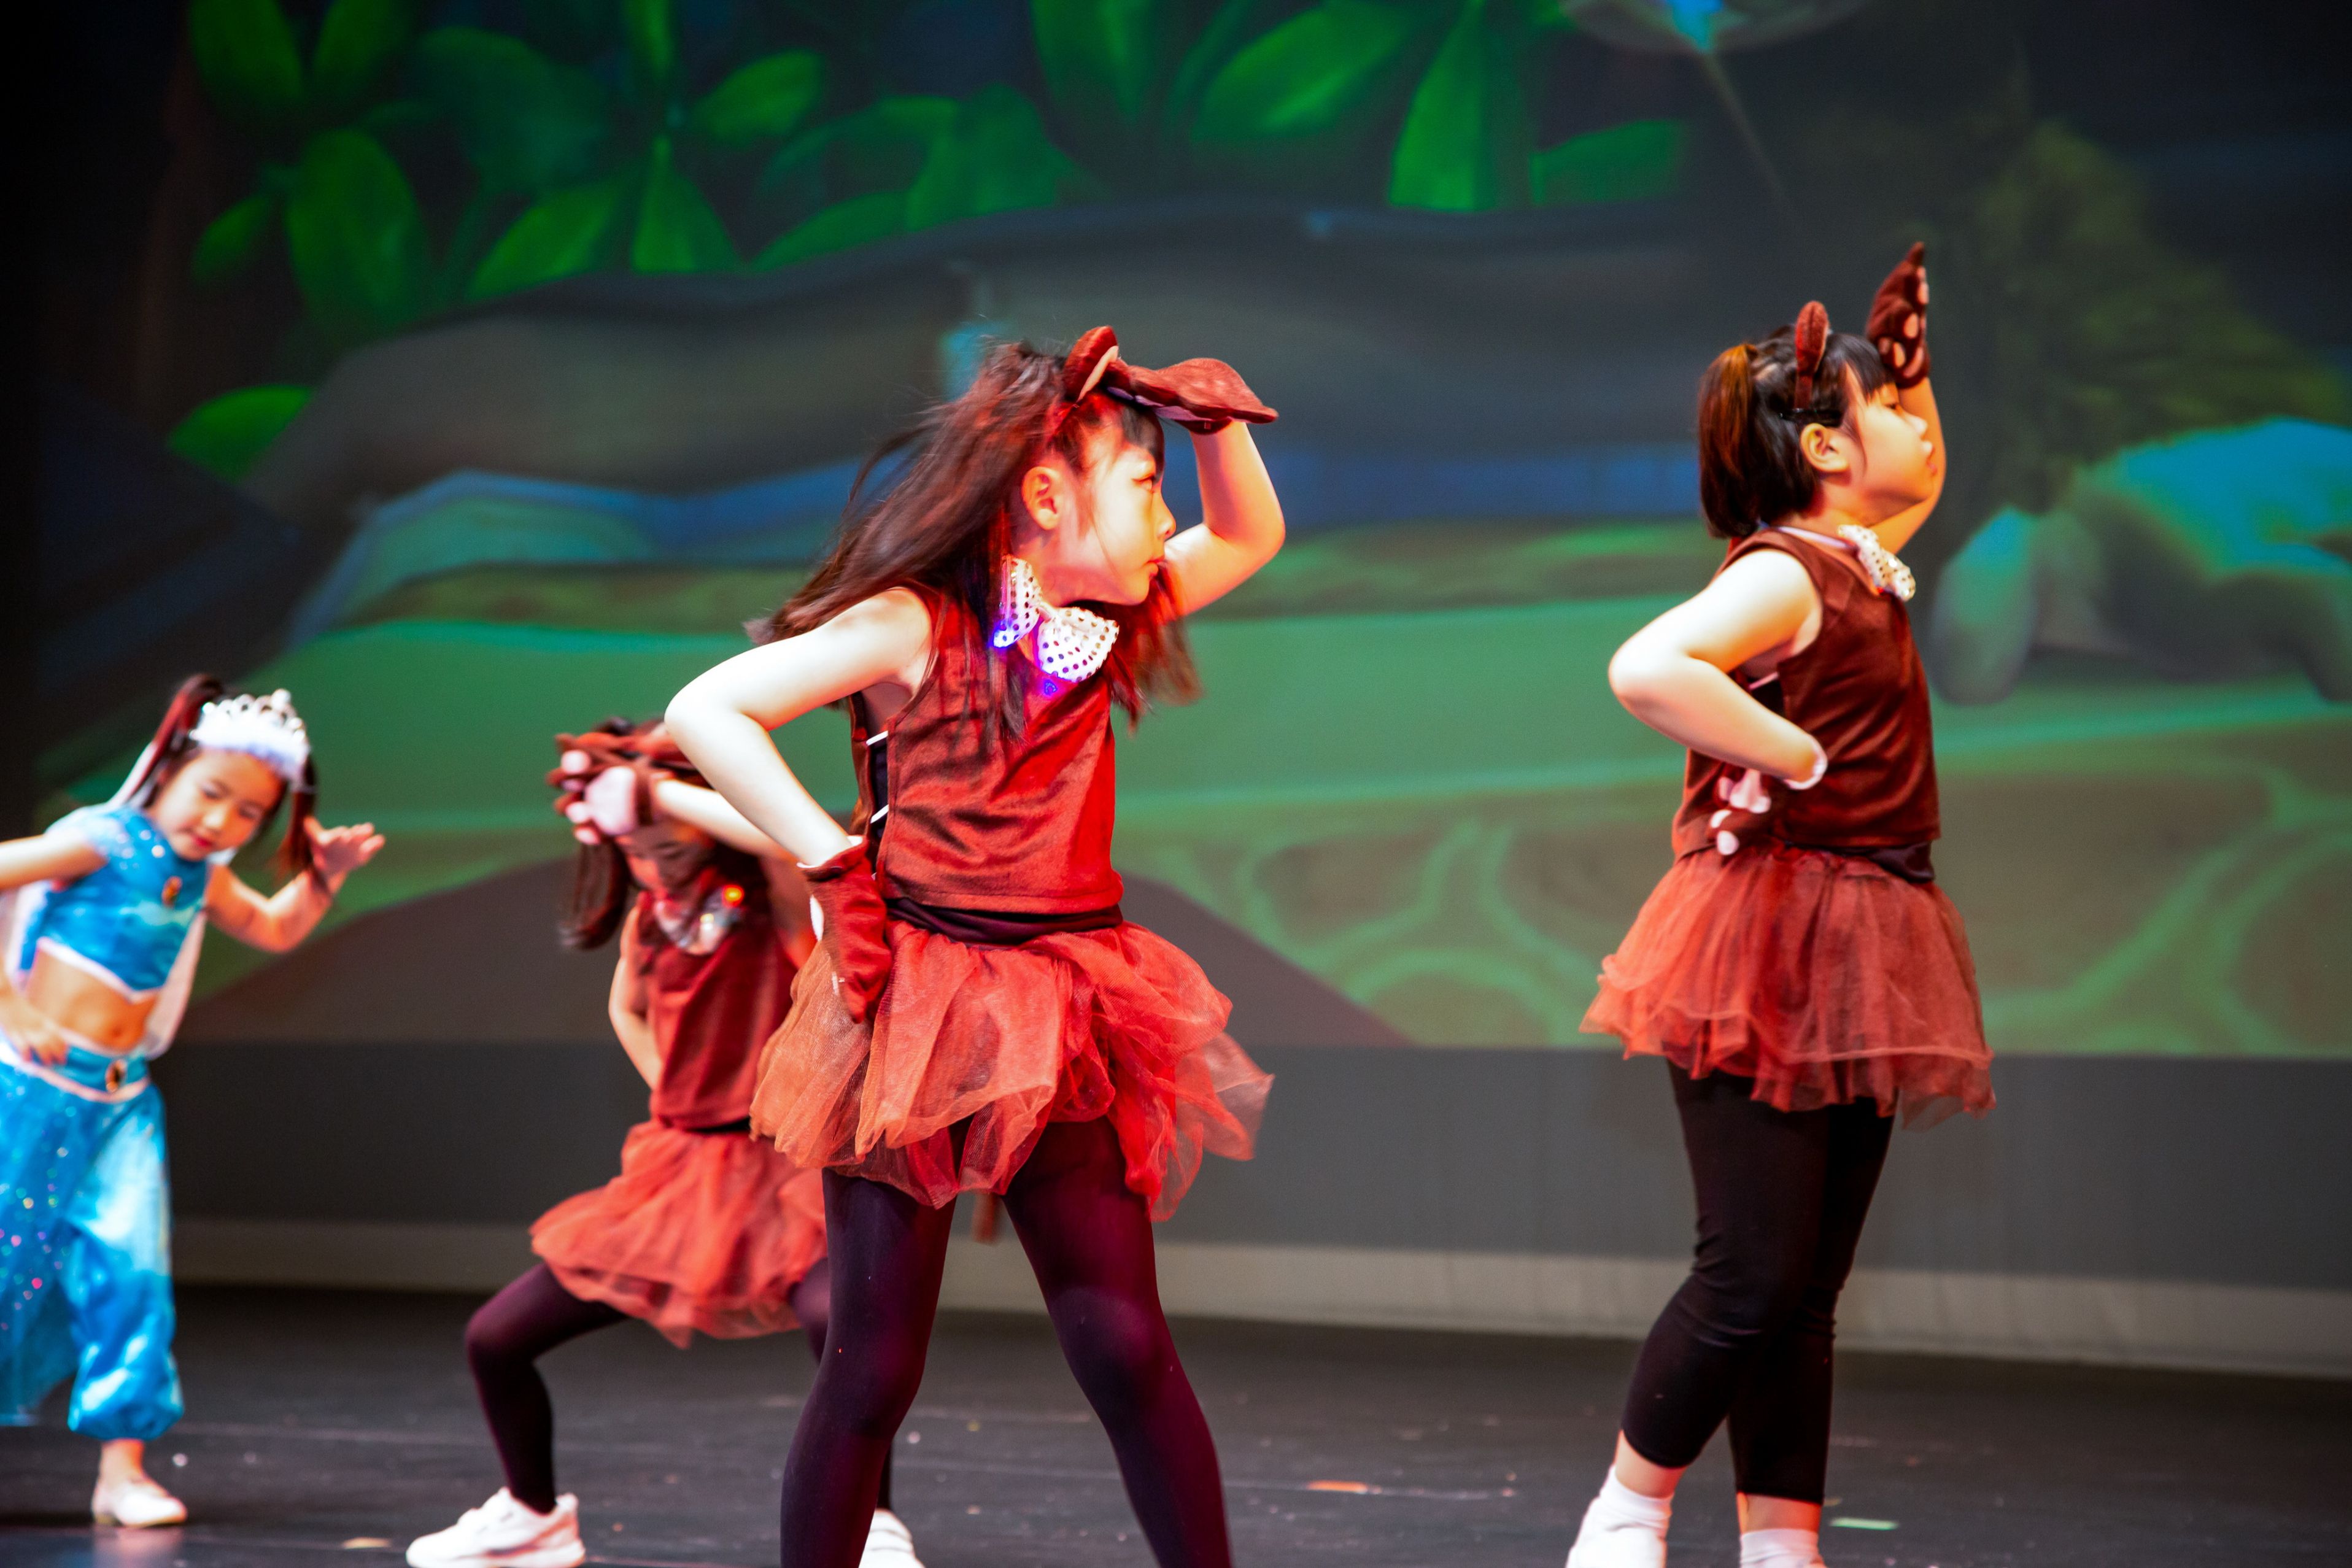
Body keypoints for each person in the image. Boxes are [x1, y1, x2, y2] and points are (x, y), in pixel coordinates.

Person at [665, 327, 1283, 1568]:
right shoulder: (916, 623)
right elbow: (706, 708)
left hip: (1068, 1004)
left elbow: (1251, 535)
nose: (1165, 520)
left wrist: (1215, 430)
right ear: (1048, 496)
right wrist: (829, 862)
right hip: (918, 1006)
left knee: (1124, 1343)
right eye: (1145, 485)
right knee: (872, 1366)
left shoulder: (1100, 622)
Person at [1569, 247, 1994, 1568]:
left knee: (1804, 1293)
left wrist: (1910, 370)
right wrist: (1793, 751)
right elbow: (1646, 666)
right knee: (1751, 1275)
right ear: (1822, 447)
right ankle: (1623, 1515)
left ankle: (1780, 1546)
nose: (1916, 431)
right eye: (1888, 411)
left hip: (1861, 930)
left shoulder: (1856, 555)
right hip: (1768, 940)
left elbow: (1927, 471)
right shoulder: (1788, 572)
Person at [406, 722, 921, 1568]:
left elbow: (788, 839)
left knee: (841, 1327)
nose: (651, 859)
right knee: (496, 1337)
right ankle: (532, 1514)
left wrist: (655, 790)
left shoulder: (766, 895)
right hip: (682, 1172)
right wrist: (669, 1088)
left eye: (669, 840)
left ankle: (876, 1523)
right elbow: (627, 1007)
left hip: (784, 1170)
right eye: (634, 844)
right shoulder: (652, 917)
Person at [0, 678, 382, 1527]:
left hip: (120, 1104)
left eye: (248, 814)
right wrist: (12, 1007)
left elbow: (274, 928)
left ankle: (122, 1474)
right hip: (28, 1094)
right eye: (211, 793)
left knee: (132, 1276)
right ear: (168, 768)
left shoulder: (202, 875)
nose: (220, 822)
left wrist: (323, 878)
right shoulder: (102, 840)